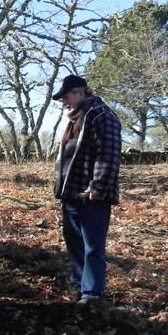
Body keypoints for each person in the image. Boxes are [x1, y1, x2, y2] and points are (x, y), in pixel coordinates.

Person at [52, 74, 121, 304]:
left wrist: (98, 186)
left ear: (81, 92)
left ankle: (92, 294)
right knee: (75, 243)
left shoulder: (102, 115)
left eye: (66, 96)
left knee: (92, 246)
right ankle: (81, 288)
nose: (64, 102)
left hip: (92, 196)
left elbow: (108, 154)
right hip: (71, 194)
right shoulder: (76, 119)